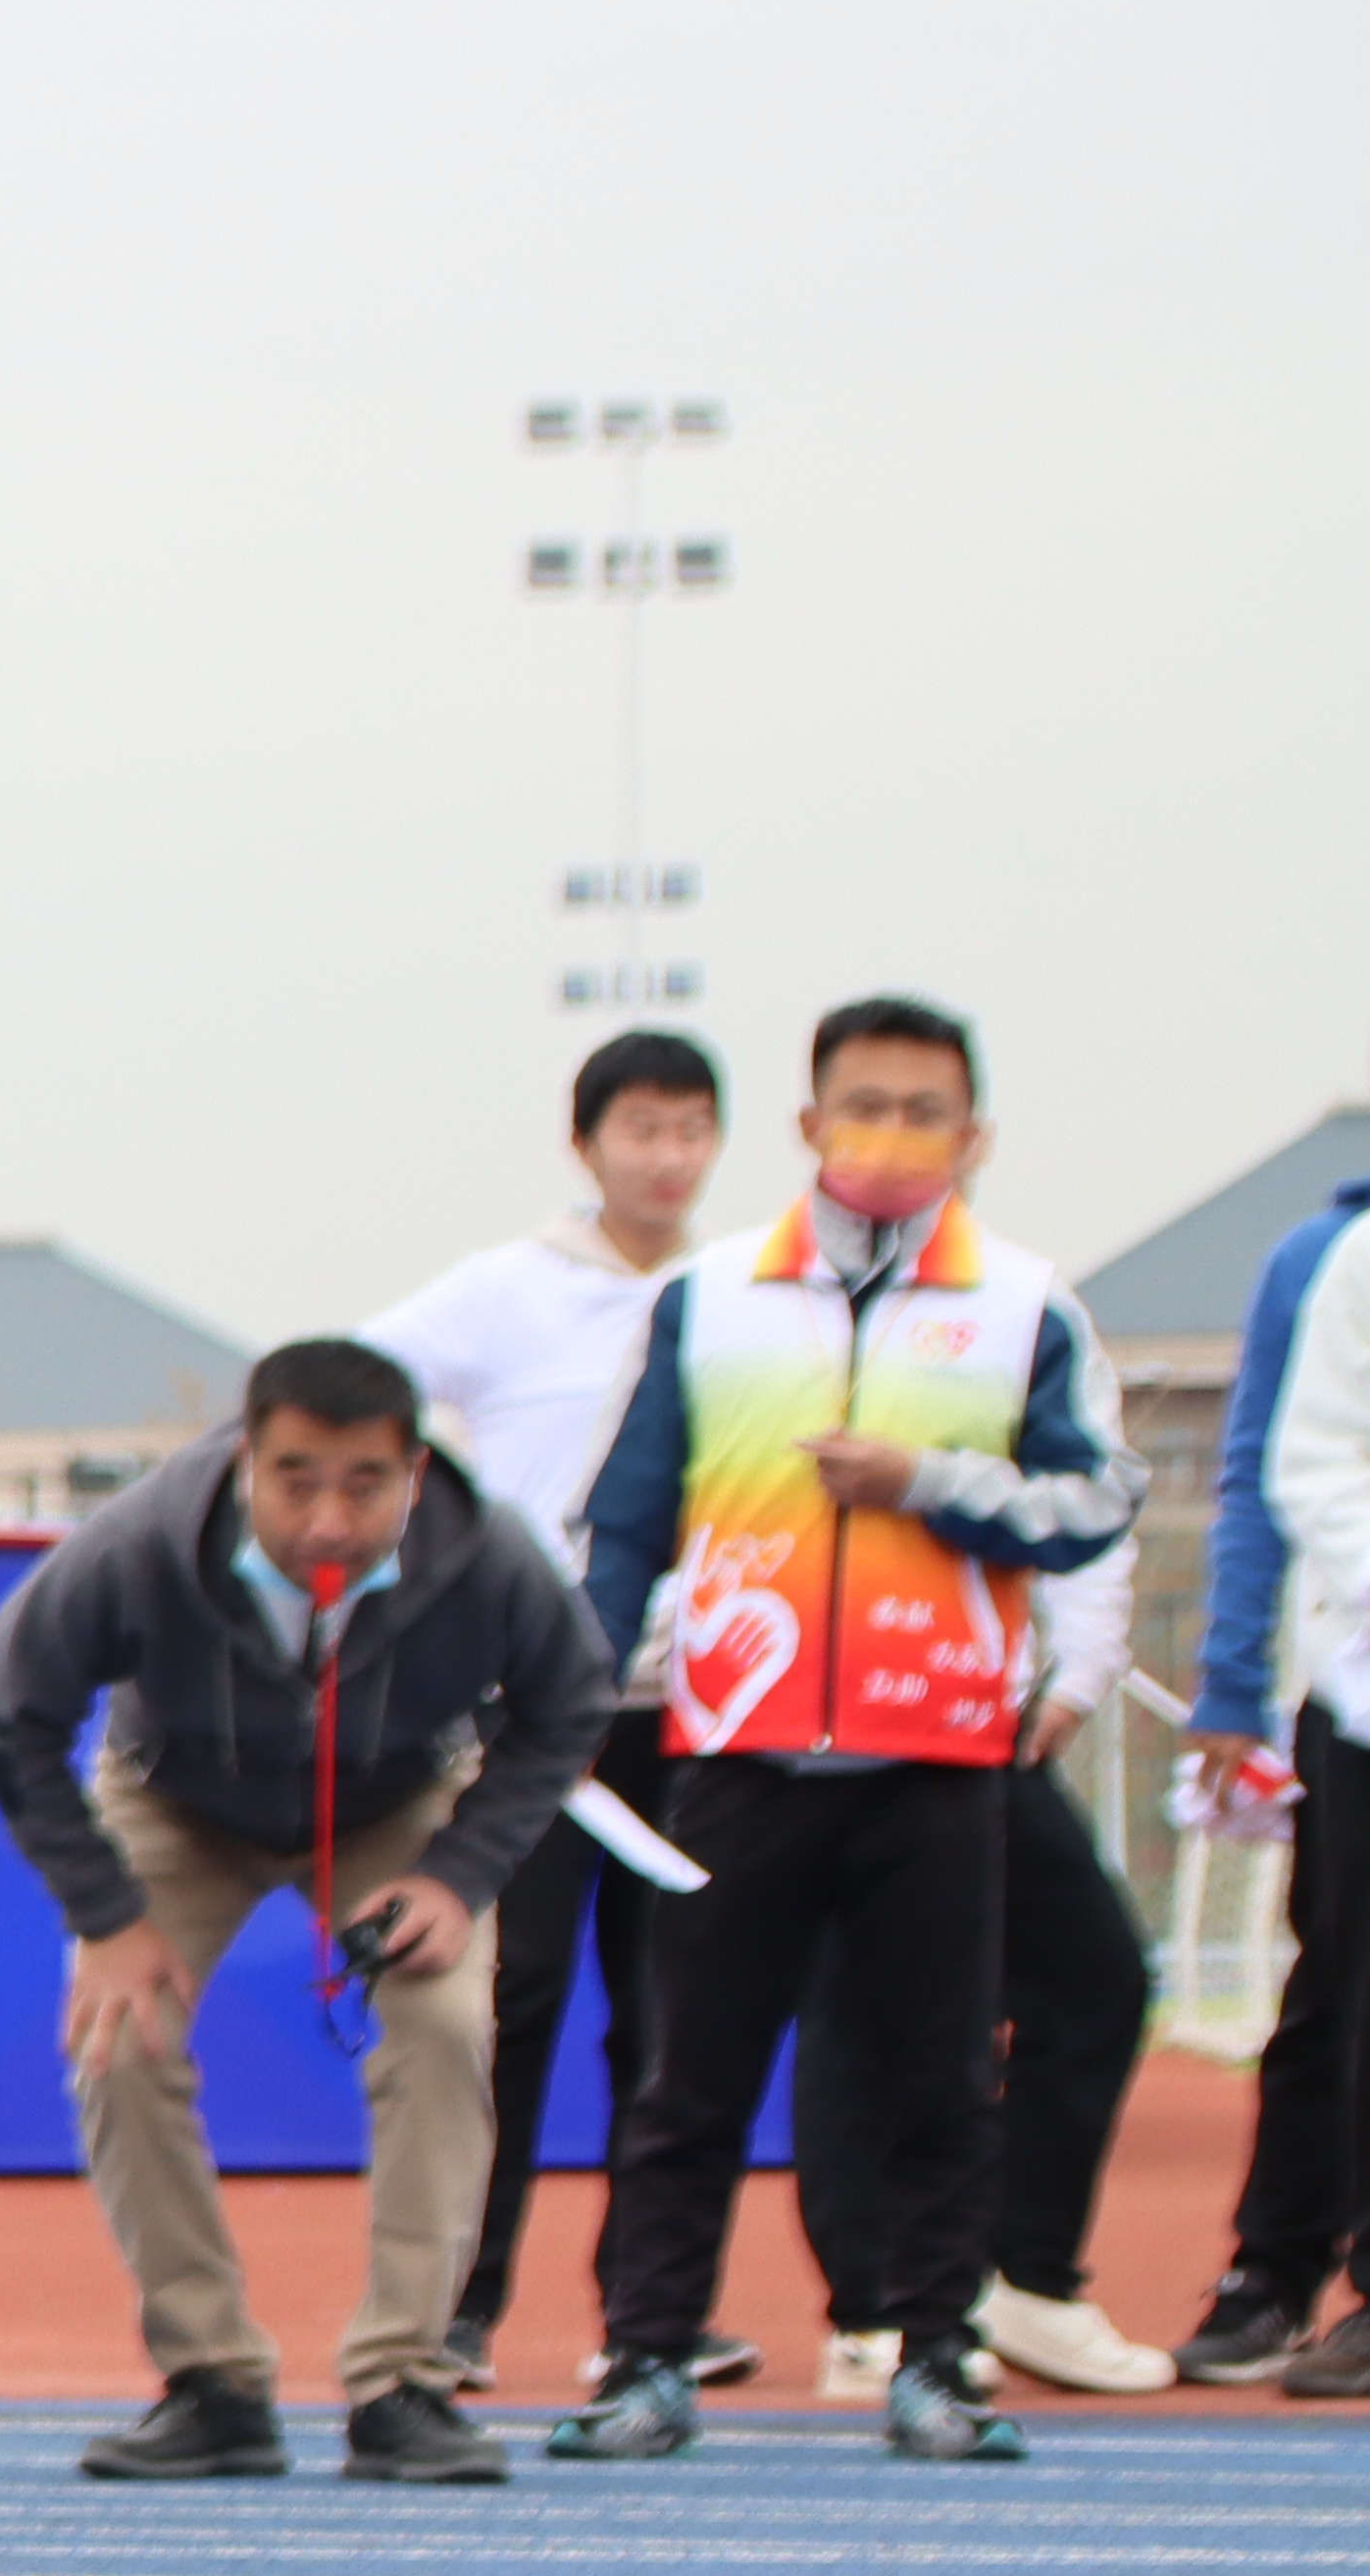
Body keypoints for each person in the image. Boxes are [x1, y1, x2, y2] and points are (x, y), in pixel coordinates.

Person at [554, 998, 1147, 2469]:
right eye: (863, 1105)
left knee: (945, 2071)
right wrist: (564, 1700)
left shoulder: (1025, 1305)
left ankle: (937, 2357)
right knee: (691, 2073)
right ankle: (647, 2357)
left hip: (939, 1753)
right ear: (810, 1126)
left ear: (975, 1136)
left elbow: (1098, 1504)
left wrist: (934, 1482)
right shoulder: (709, 1298)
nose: (890, 1135)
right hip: (741, 1749)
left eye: (924, 1110)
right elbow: (622, 1522)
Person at [0, 1337, 616, 2487]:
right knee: (120, 2042)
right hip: (176, 1796)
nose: (329, 1518)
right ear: (244, 1462)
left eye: (365, 1482)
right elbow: (11, 1711)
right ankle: (212, 2380)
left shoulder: (486, 1557)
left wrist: (460, 1874)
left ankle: (402, 2380)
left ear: (414, 1471)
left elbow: (571, 1703)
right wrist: (109, 1918)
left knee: (444, 2024)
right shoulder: (142, 1547)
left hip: (395, 1806)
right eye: (297, 1477)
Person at [372, 1030, 730, 2390]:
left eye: (693, 1129)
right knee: (509, 2003)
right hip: (540, 1710)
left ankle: (654, 2315)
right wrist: (449, 1552)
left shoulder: (741, 1294)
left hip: (696, 1700)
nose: (667, 1155)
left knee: (672, 2015)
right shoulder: (503, 1292)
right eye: (641, 1128)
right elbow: (349, 1384)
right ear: (586, 1146)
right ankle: (462, 2310)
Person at [795, 1536, 1163, 2394]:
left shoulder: (1050, 1400)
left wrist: (1075, 1677)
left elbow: (1090, 1501)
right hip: (836, 1691)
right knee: (864, 1990)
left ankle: (1019, 2279)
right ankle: (875, 2310)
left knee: (1092, 1975)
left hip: (974, 1701)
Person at [1175, 1148, 1370, 2391]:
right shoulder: (1322, 1258)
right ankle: (1280, 2265)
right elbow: (1263, 1471)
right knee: (1338, 1990)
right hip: (1350, 1684)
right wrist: (1234, 1679)